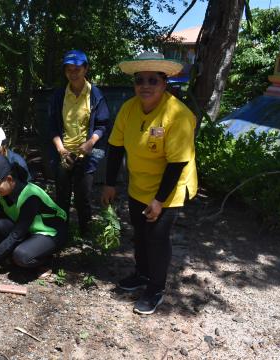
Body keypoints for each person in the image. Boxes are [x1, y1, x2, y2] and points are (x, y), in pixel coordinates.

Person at [101, 52, 197, 315]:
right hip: (139, 183)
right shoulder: (129, 108)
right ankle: (142, 274)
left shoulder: (178, 115)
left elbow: (177, 163)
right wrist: (110, 183)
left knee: (156, 237)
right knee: (140, 233)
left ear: (164, 84)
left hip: (170, 186)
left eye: (153, 80)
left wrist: (159, 201)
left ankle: (156, 287)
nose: (145, 85)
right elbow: (115, 146)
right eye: (140, 80)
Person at [0, 153, 67, 272]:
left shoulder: (30, 197)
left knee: (21, 256)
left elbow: (16, 235)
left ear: (9, 179)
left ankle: (46, 261)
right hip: (30, 231)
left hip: (51, 233)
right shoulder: (4, 194)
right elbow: (1, 215)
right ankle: (23, 254)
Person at [48, 49, 110, 236]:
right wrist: (61, 149)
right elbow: (51, 125)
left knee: (83, 197)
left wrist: (91, 142)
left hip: (87, 153)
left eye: (77, 69)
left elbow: (102, 124)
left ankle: (86, 234)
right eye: (69, 69)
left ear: (86, 69)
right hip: (64, 153)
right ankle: (61, 234)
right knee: (62, 196)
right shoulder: (59, 96)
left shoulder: (95, 94)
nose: (73, 73)